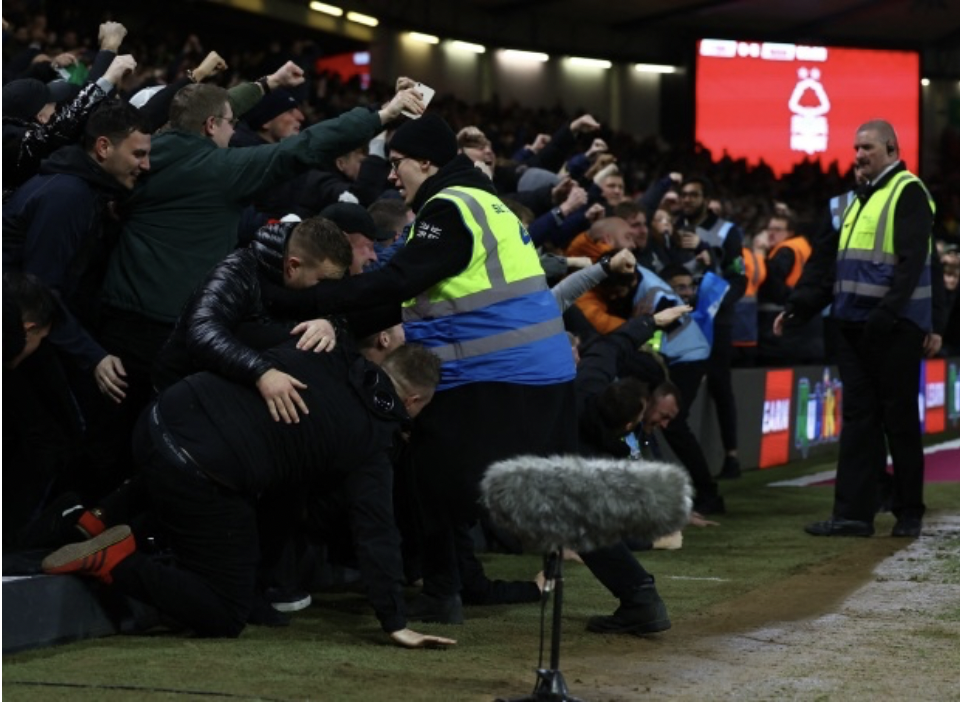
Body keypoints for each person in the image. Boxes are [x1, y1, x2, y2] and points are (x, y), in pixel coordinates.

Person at [258, 111, 578, 623]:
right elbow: (405, 295)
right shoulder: (478, 202)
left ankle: (448, 593)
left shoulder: (448, 207)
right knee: (441, 477)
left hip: (499, 370)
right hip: (526, 369)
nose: (391, 175)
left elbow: (397, 283)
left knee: (438, 478)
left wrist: (309, 302)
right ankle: (452, 591)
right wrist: (333, 316)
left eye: (398, 162)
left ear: (426, 163)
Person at [41, 342, 456, 649]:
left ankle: (99, 517)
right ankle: (114, 559)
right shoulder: (374, 440)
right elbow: (376, 532)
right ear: (413, 400)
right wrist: (394, 621)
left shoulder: (328, 348)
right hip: (196, 468)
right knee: (225, 611)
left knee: (216, 459)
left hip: (158, 415)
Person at [775, 119, 941, 538]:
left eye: (867, 147)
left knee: (898, 419)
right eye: (856, 149)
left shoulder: (909, 191)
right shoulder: (853, 201)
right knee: (859, 420)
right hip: (851, 325)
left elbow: (913, 264)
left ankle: (908, 511)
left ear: (892, 148)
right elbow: (828, 265)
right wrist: (799, 307)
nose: (859, 155)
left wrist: (888, 313)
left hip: (893, 327)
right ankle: (853, 515)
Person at [675, 176, 746, 484]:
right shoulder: (674, 227)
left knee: (720, 385)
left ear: (706, 198)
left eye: (693, 194)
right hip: (680, 317)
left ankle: (731, 456)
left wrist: (717, 304)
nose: (687, 199)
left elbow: (739, 278)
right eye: (684, 194)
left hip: (716, 321)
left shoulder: (727, 231)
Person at [757, 212, 823, 365]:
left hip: (783, 325)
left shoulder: (784, 251)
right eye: (769, 229)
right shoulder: (802, 246)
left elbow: (773, 287)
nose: (771, 233)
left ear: (790, 232)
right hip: (806, 322)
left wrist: (760, 256)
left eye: (778, 229)